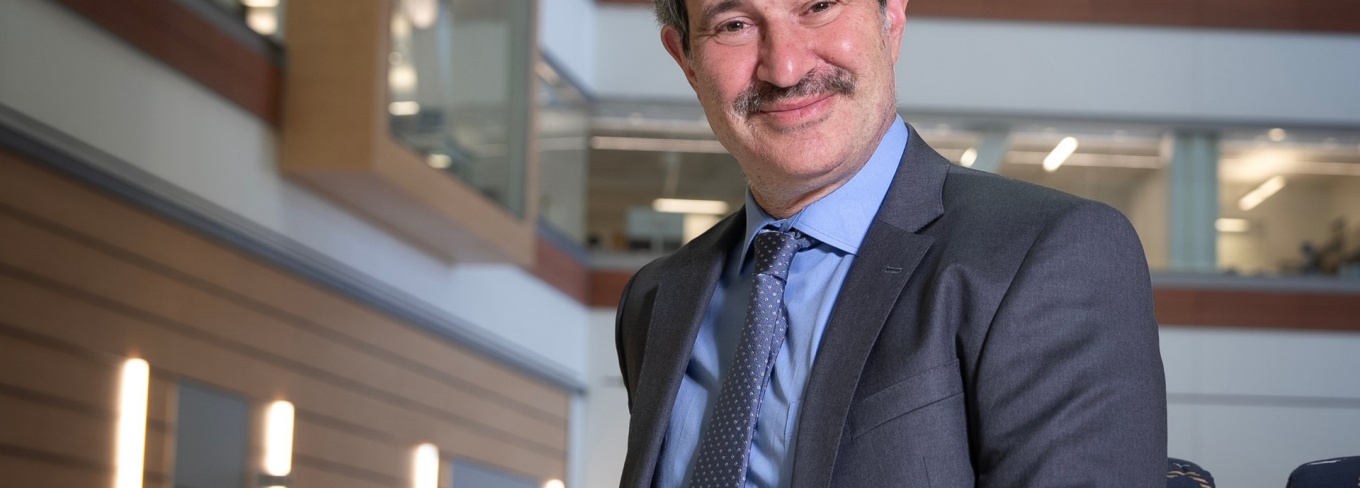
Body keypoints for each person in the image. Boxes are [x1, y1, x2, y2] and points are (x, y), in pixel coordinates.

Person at [614, 0, 1168, 486]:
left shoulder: (1050, 253)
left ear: (892, 14)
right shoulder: (657, 299)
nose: (784, 67)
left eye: (819, 5)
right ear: (685, 58)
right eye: (734, 24)